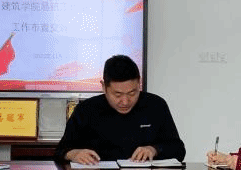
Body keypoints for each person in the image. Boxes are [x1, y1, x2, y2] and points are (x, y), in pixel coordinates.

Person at [54, 54, 186, 164]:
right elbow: (60, 151)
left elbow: (178, 150)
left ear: (139, 84)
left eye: (132, 93)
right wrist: (73, 154)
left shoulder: (156, 105)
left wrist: (154, 149)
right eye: (117, 95)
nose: (125, 101)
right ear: (104, 87)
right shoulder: (86, 110)